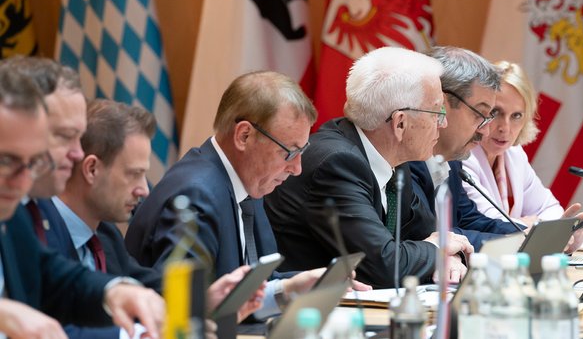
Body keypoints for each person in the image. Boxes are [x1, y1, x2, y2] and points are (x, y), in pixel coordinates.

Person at [126, 71, 352, 320]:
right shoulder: (196, 195)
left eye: (303, 151)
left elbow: (252, 281)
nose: (297, 168)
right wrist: (284, 290)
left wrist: (297, 284)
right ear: (244, 136)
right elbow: (185, 309)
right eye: (289, 152)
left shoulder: (247, 181)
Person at [45, 99, 263, 337]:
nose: (144, 190)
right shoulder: (38, 234)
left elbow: (147, 286)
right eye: (134, 174)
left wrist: (205, 300)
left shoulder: (104, 234)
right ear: (92, 169)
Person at [265, 47, 473, 288]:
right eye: (437, 112)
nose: (443, 123)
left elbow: (431, 234)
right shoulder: (337, 164)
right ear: (400, 123)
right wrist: (437, 251)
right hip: (306, 315)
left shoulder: (393, 157)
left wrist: (449, 256)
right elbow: (384, 265)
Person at [0, 65, 163, 338]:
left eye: (33, 162)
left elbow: (51, 276)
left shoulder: (12, 209)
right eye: (7, 161)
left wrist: (115, 292)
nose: (22, 180)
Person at [462, 61, 583, 252]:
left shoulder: (514, 154)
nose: (505, 128)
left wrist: (543, 226)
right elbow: (490, 223)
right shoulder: (462, 156)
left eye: (516, 116)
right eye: (495, 112)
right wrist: (539, 227)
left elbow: (550, 208)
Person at [408, 46, 525, 250]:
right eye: (479, 114)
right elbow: (427, 235)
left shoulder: (452, 159)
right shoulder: (404, 160)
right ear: (440, 104)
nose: (486, 131)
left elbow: (469, 220)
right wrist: (520, 244)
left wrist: (529, 236)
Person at [0, 56, 86, 246]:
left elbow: (52, 268)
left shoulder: (42, 209)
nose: (79, 154)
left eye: (80, 137)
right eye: (65, 135)